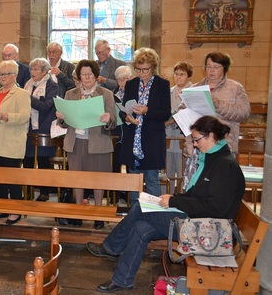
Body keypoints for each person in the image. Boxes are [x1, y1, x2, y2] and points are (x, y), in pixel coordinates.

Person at [86, 116, 245, 292]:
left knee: (139, 208)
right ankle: (122, 279)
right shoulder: (214, 159)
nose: (195, 144)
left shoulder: (225, 167)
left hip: (210, 233)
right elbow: (197, 196)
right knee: (141, 227)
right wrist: (173, 197)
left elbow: (216, 209)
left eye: (197, 139)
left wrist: (175, 201)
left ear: (211, 136)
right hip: (199, 222)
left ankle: (111, 247)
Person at [56, 59, 117, 229]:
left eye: (90, 74)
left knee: (98, 180)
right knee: (77, 179)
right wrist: (61, 119)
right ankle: (78, 212)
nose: (87, 77)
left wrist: (107, 119)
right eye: (83, 74)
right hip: (76, 142)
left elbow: (114, 121)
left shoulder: (106, 94)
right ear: (79, 76)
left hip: (98, 142)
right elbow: (64, 123)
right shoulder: (70, 94)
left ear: (96, 75)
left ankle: (98, 214)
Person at [0, 60, 30, 225]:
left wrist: (6, 116)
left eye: (6, 74)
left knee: (11, 178)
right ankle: (2, 206)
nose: (2, 77)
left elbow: (24, 116)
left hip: (10, 141)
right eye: (0, 74)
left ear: (15, 75)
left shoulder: (21, 93)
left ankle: (16, 210)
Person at [120, 47, 171, 200]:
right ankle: (135, 213)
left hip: (152, 139)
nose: (141, 73)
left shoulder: (162, 84)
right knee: (134, 181)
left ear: (153, 67)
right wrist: (127, 117)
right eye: (138, 69)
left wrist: (147, 110)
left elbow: (165, 113)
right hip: (133, 137)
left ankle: (153, 215)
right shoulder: (131, 84)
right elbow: (124, 109)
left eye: (145, 70)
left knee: (152, 180)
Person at [188, 52, 250, 156]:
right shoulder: (194, 88)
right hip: (198, 145)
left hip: (224, 145)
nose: (211, 70)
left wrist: (219, 105)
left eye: (216, 67)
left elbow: (244, 114)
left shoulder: (235, 87)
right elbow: (184, 112)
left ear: (225, 68)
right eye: (208, 66)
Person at [22, 58, 58, 202]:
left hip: (44, 128)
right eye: (31, 69)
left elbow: (46, 106)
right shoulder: (28, 84)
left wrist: (27, 97)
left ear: (44, 71)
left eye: (36, 69)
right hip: (28, 128)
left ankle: (44, 192)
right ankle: (28, 191)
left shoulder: (52, 85)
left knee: (43, 162)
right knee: (28, 161)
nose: (32, 72)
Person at [165, 62, 193, 193]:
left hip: (184, 137)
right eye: (176, 74)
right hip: (168, 136)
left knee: (182, 172)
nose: (178, 77)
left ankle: (182, 198)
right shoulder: (168, 91)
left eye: (182, 74)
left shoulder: (192, 92)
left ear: (189, 76)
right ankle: (166, 198)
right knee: (167, 171)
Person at [111, 65, 134, 207]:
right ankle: (115, 195)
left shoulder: (135, 92)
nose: (122, 83)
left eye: (125, 79)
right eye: (119, 80)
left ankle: (130, 196)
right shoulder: (113, 93)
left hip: (130, 134)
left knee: (131, 168)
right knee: (115, 166)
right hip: (116, 134)